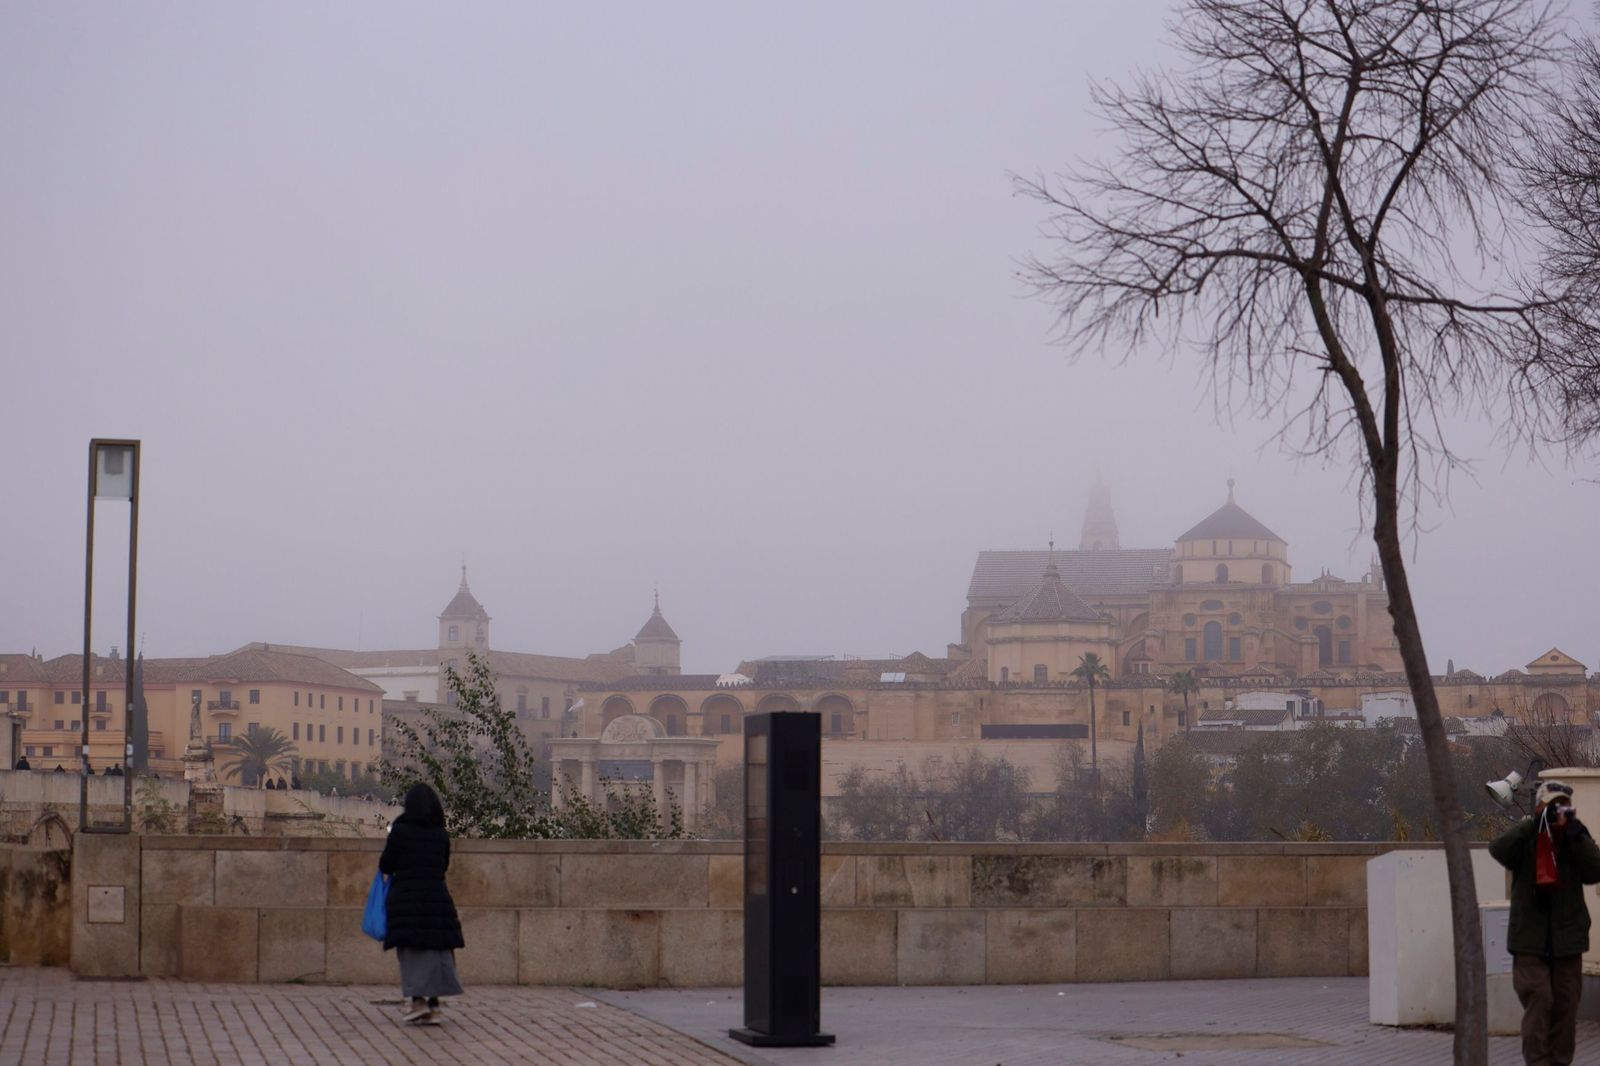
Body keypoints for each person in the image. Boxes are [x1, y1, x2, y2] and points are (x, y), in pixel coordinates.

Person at [1490, 780, 1600, 1066]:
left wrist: (1576, 835)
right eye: (1552, 806)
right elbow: (1499, 850)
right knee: (1539, 1000)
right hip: (1530, 943)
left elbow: (1595, 870)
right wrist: (1533, 824)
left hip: (1567, 943)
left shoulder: (1576, 840)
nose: (1557, 811)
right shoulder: (1526, 839)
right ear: (1539, 806)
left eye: (1562, 806)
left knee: (1565, 1009)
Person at [378, 784, 465, 1025]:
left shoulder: (401, 831)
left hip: (407, 898)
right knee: (437, 951)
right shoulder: (441, 834)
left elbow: (386, 864)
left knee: (412, 950)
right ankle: (434, 1005)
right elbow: (443, 866)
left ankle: (417, 1001)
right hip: (438, 899)